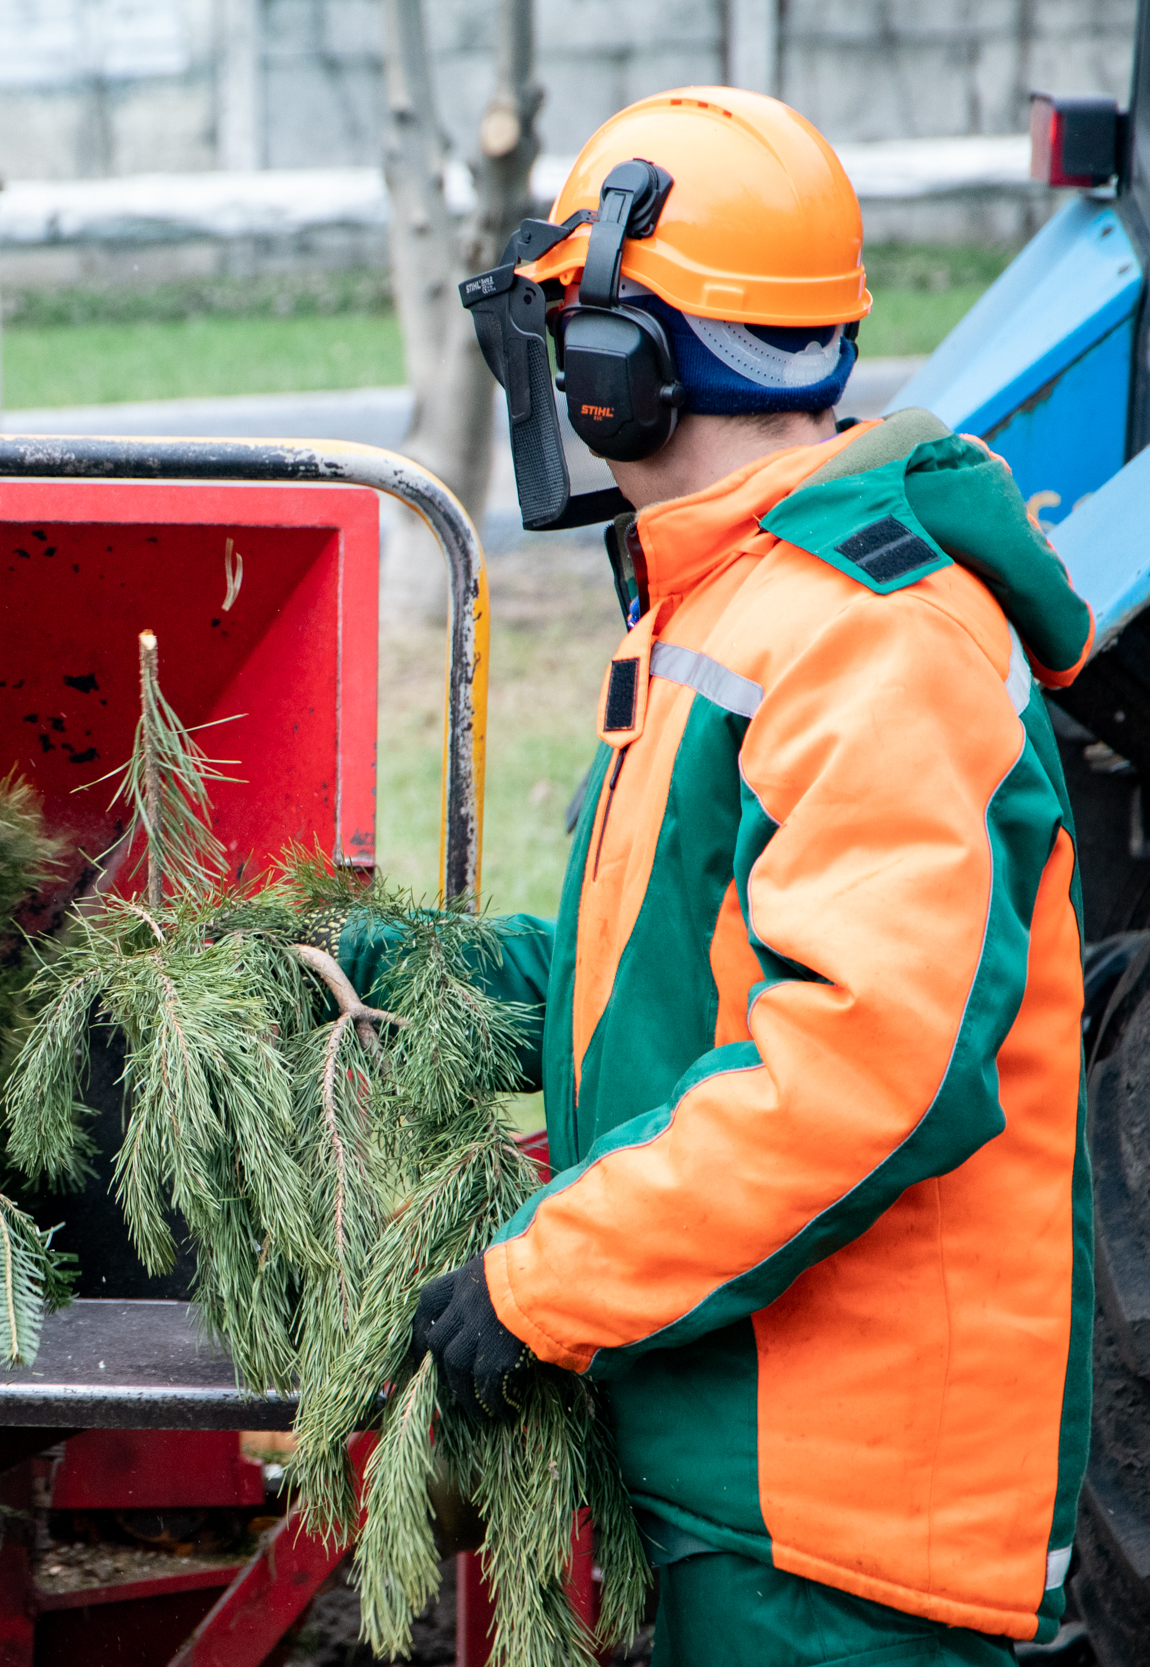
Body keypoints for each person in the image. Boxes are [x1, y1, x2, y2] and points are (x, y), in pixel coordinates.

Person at [399, 90, 1096, 1665]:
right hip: (748, 1464)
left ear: (626, 359)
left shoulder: (869, 641)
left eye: (569, 330)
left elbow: (861, 1067)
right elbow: (674, 964)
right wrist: (408, 982)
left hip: (845, 1518)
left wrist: (545, 1282)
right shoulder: (733, 600)